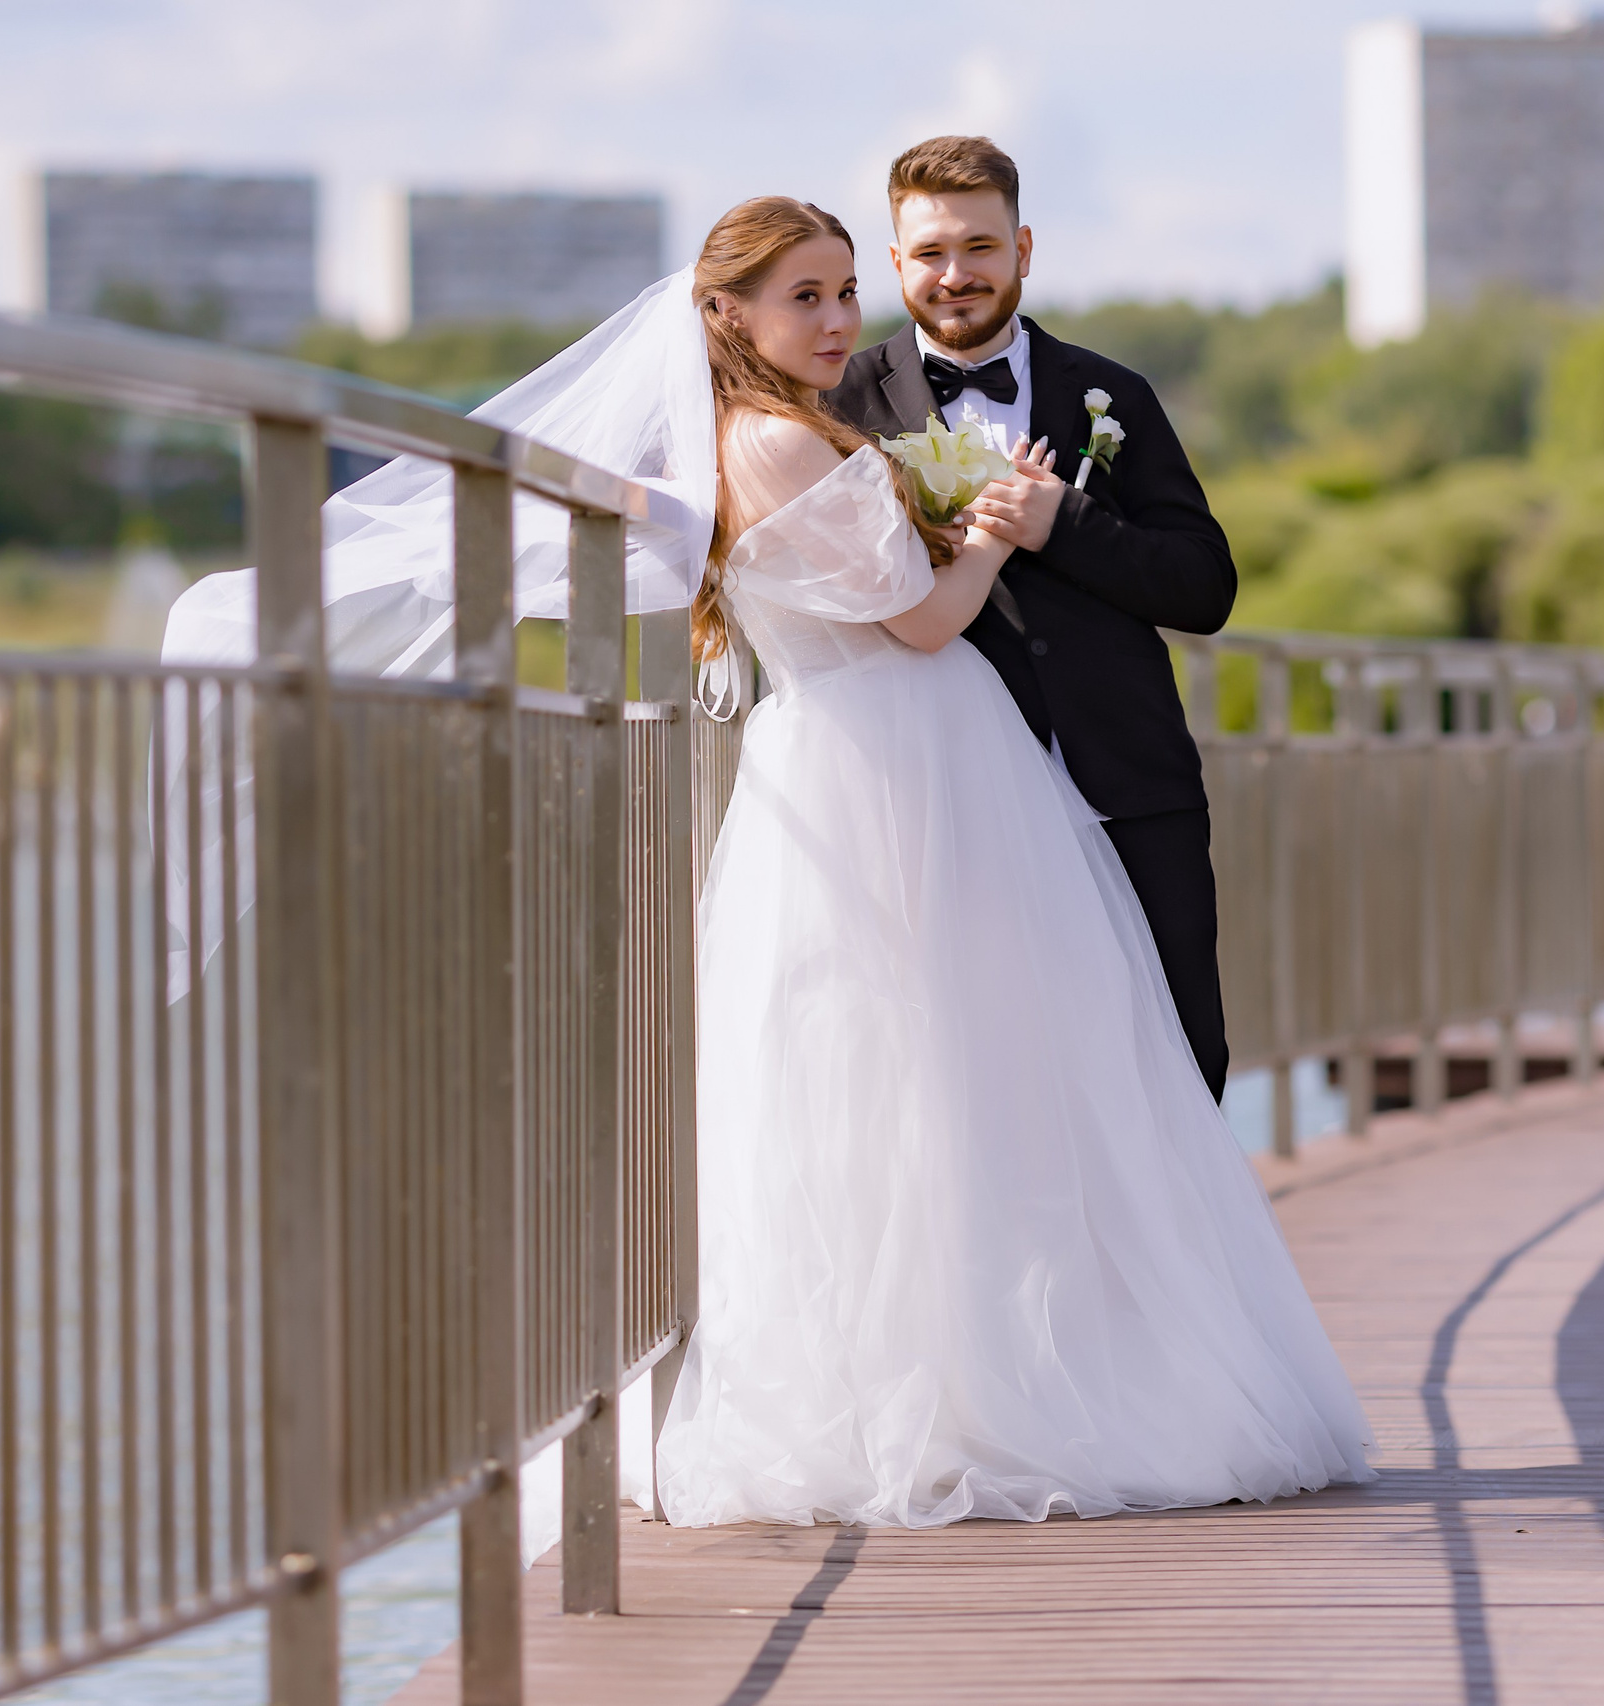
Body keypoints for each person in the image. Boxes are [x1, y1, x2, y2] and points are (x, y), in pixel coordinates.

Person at [647, 194, 1370, 1528]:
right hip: (901, 770)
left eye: (840, 289)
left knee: (943, 1074)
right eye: (804, 294)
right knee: (948, 1073)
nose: (836, 317)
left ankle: (971, 1373)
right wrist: (984, 529)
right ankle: (981, 1389)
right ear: (728, 314)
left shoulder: (777, 433)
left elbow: (1192, 581)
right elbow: (925, 624)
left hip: (900, 762)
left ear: (1022, 248)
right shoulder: (777, 443)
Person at [826, 135, 1238, 1101]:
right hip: (949, 802)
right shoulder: (840, 408)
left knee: (1181, 1064)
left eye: (980, 246)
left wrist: (1067, 522)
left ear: (1023, 248)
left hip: (1130, 787)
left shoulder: (1113, 395)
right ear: (895, 264)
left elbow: (1204, 589)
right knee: (995, 1087)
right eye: (929, 252)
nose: (955, 274)